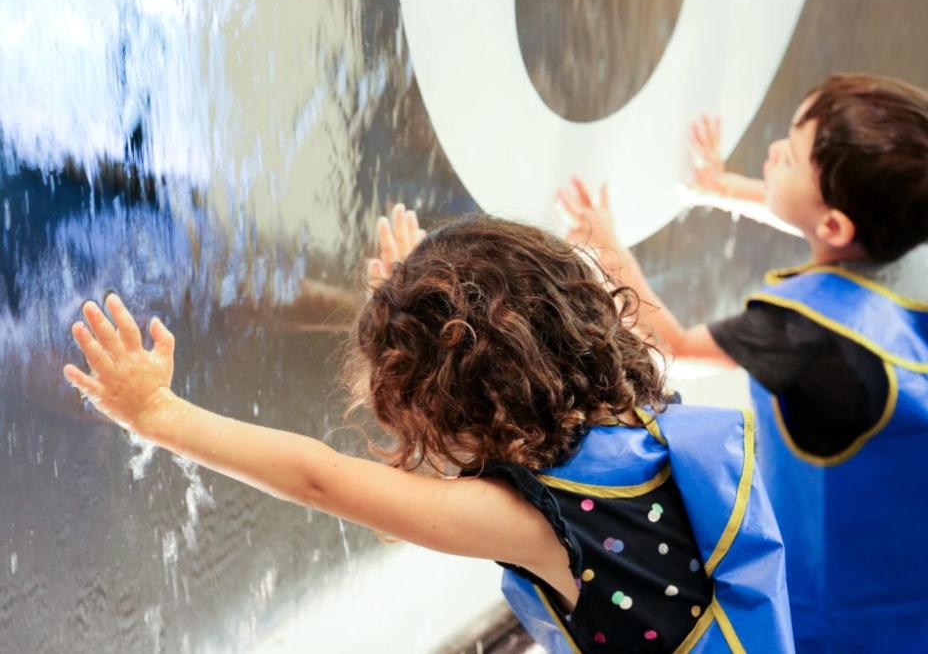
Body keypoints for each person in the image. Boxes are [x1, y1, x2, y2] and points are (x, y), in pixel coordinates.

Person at [63, 207, 792, 652]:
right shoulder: (637, 416)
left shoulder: (538, 524)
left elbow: (320, 478)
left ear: (439, 402)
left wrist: (158, 413)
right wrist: (421, 299)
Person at [558, 72, 928, 653]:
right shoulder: (926, 242)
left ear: (838, 224)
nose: (772, 151)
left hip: (862, 603)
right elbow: (831, 224)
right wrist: (723, 186)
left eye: (788, 156)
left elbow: (674, 345)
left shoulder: (805, 331)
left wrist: (606, 248)